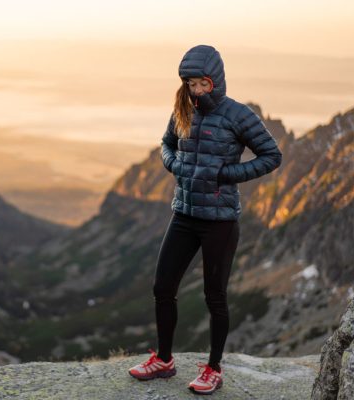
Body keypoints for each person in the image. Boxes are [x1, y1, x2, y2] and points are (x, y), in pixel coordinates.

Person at [128, 44, 282, 395]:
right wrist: (174, 165)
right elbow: (166, 144)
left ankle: (214, 368)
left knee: (215, 296)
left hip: (220, 221)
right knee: (163, 287)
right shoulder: (181, 109)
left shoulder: (238, 115)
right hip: (183, 213)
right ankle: (164, 361)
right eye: (190, 84)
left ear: (216, 81)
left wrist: (226, 174)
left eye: (202, 84)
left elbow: (272, 155)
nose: (196, 91)